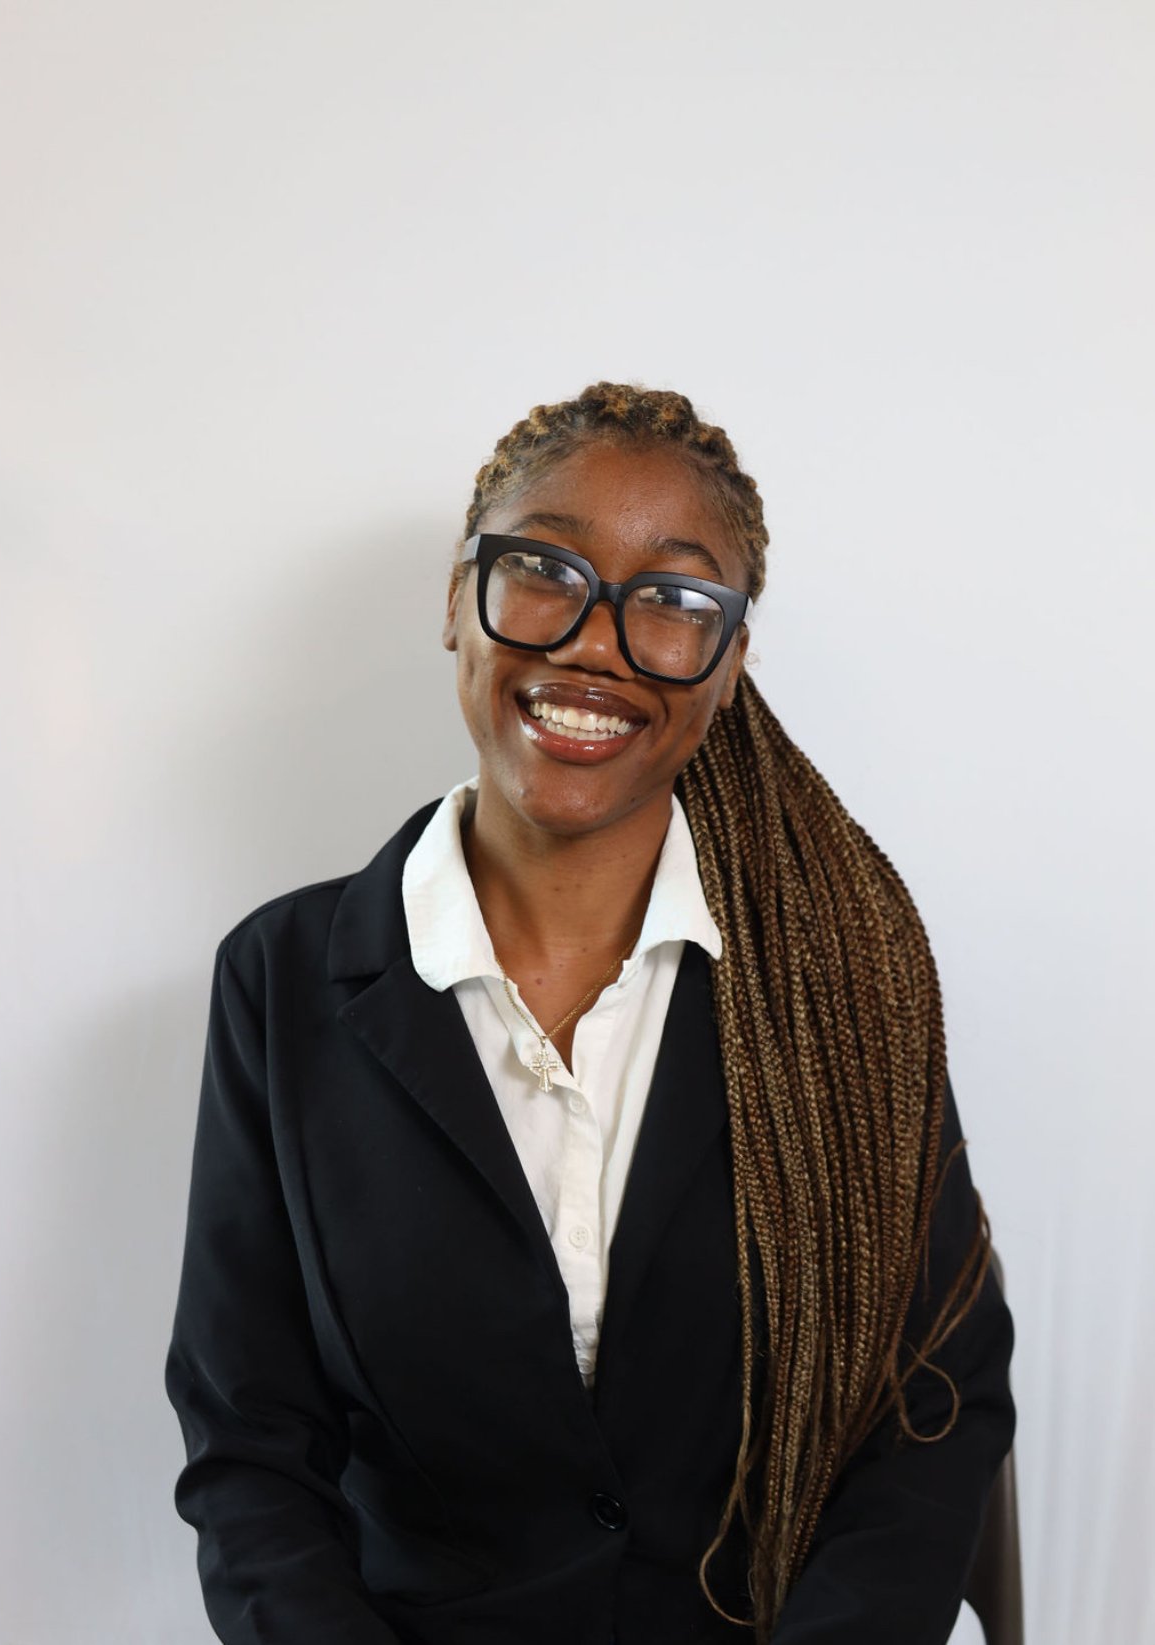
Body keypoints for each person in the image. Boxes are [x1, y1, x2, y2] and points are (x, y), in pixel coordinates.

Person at [166, 382, 1015, 1645]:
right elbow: (250, 1447)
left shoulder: (844, 989)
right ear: (459, 599)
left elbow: (934, 1399)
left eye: (673, 601)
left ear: (729, 665)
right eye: (545, 569)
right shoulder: (282, 982)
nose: (597, 642)